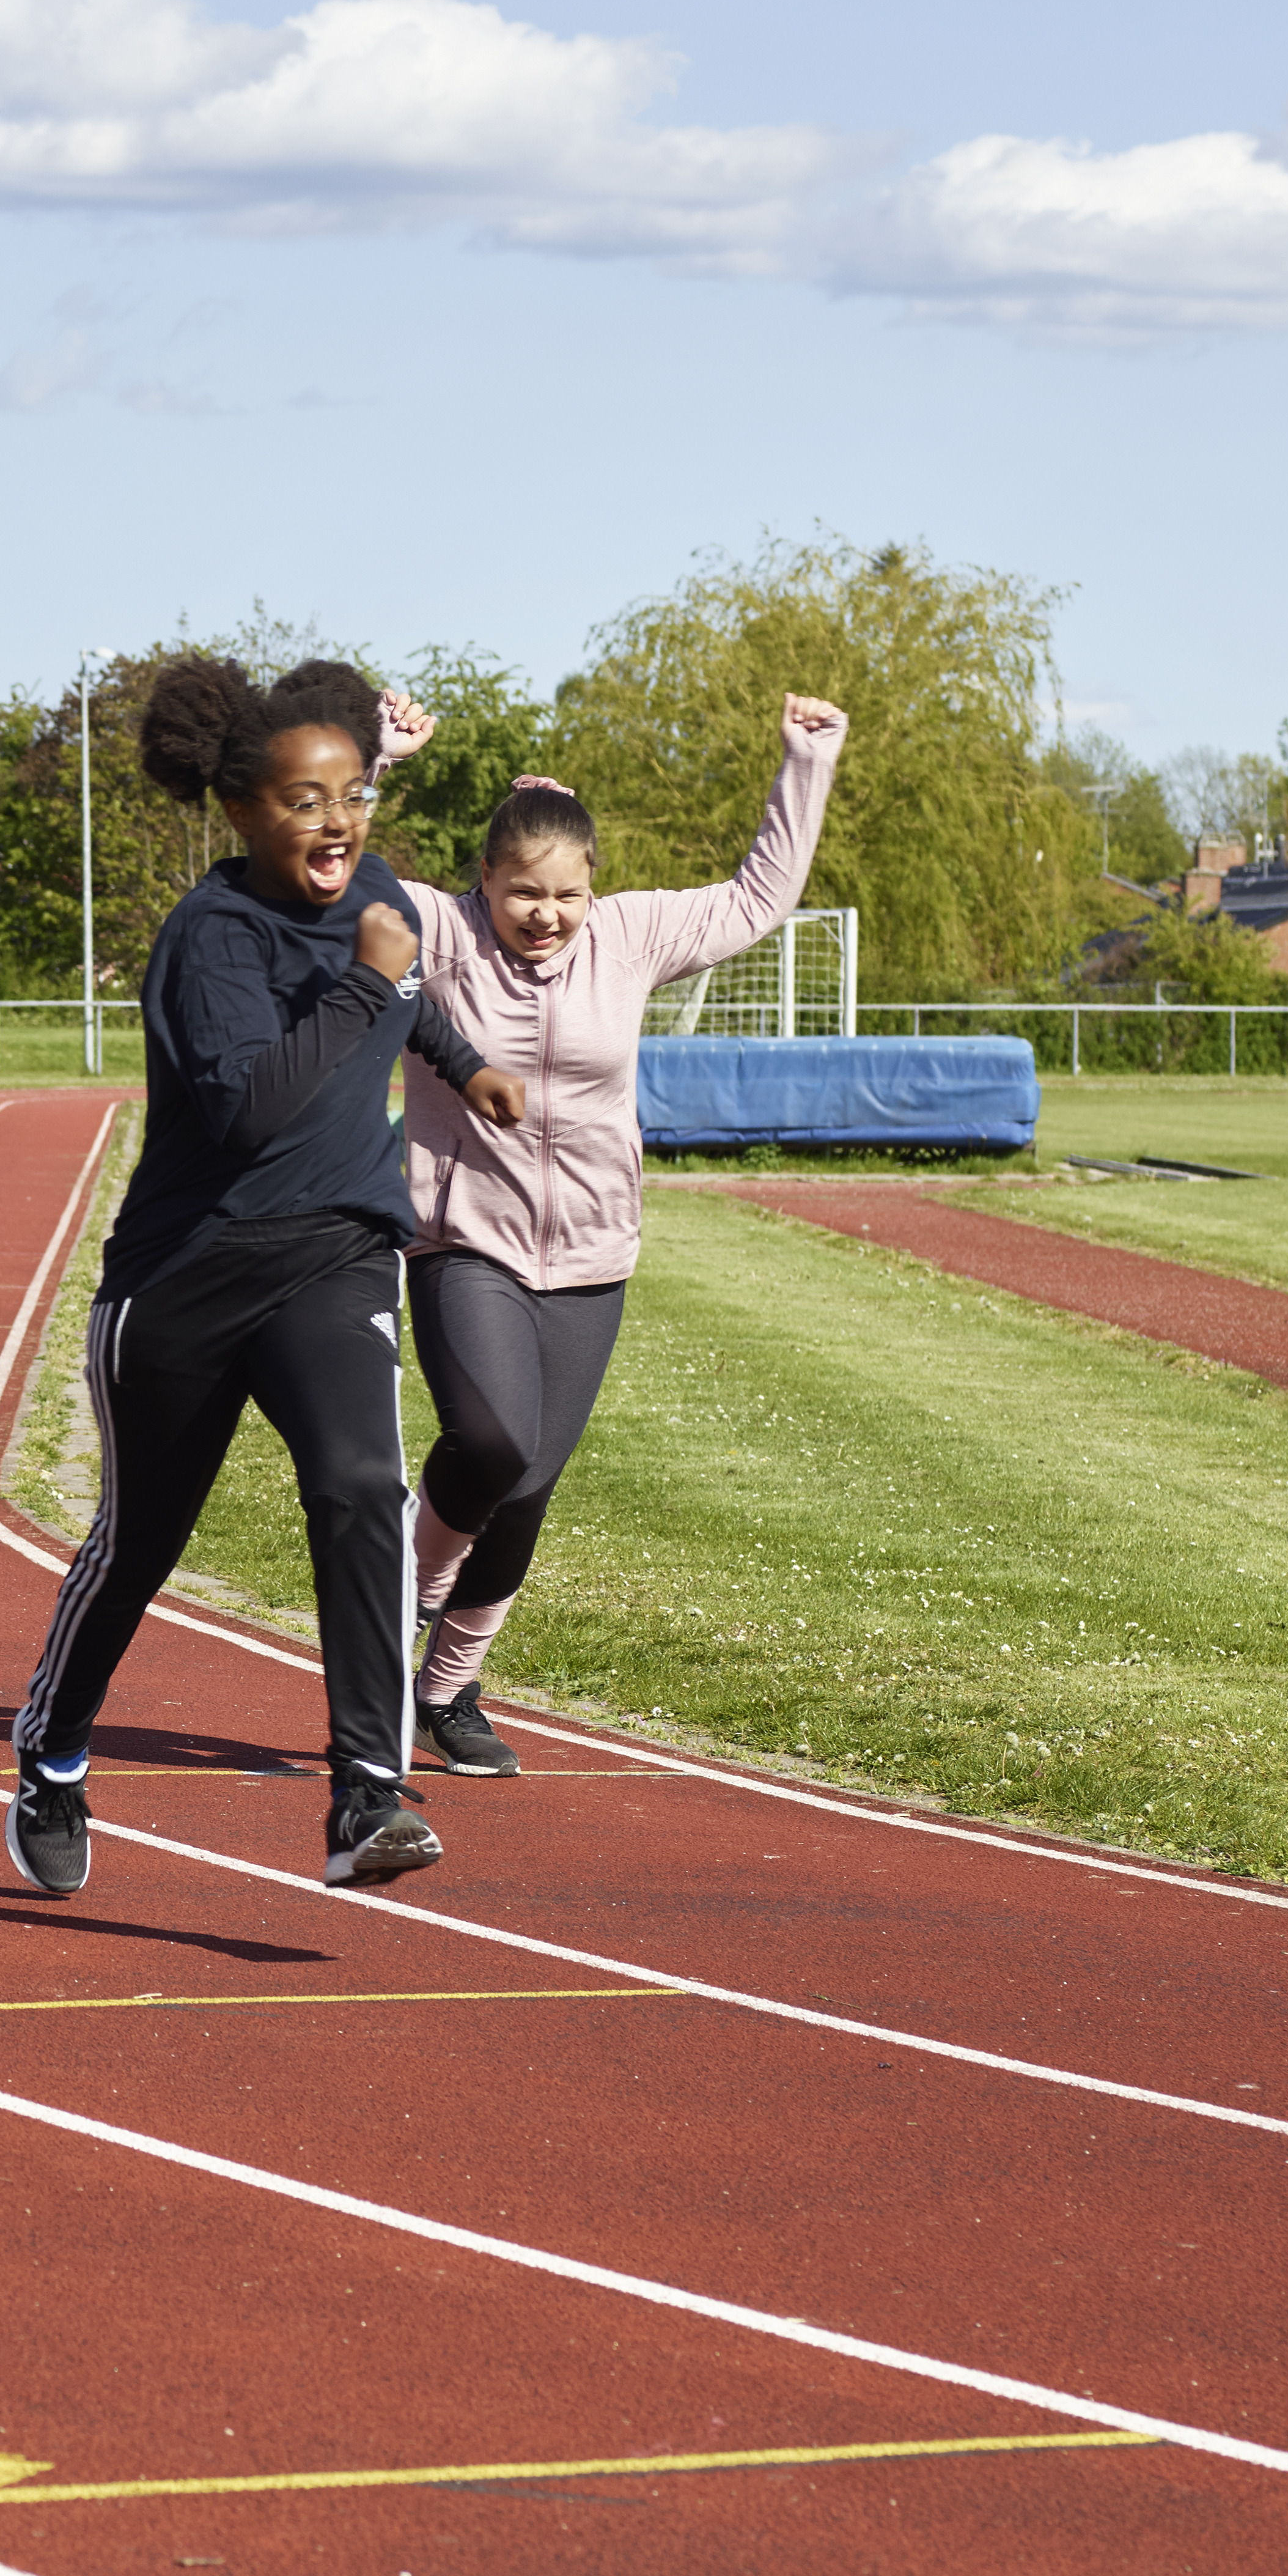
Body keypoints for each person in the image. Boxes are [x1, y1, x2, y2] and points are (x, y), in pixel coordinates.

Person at [5, 658, 499, 1899]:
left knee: (359, 1483)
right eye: (301, 801)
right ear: (240, 810)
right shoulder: (206, 939)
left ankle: (363, 1795)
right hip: (184, 1276)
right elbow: (248, 1115)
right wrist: (367, 980)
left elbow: (399, 1002)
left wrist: (461, 1057)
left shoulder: (374, 889)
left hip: (333, 1250)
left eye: (350, 797)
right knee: (138, 1543)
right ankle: (52, 1752)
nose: (332, 824)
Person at [374, 693, 844, 1775]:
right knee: (488, 1444)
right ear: (483, 883)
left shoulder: (628, 937)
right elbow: (328, 873)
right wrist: (380, 760)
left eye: (566, 897)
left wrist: (804, 765)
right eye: (523, 895)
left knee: (530, 1481)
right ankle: (394, 1603)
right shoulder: (438, 934)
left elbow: (759, 896)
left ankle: (447, 1688)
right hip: (466, 1239)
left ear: (595, 888)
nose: (546, 916)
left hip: (591, 1253)